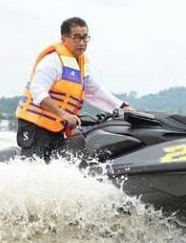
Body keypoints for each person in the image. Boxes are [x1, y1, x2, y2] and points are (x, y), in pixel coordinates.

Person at [15, 17, 133, 162]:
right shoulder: (52, 61)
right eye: (76, 37)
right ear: (64, 38)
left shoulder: (81, 65)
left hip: (56, 128)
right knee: (37, 168)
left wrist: (122, 107)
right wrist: (62, 114)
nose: (82, 42)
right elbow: (38, 91)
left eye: (85, 38)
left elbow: (96, 92)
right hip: (35, 127)